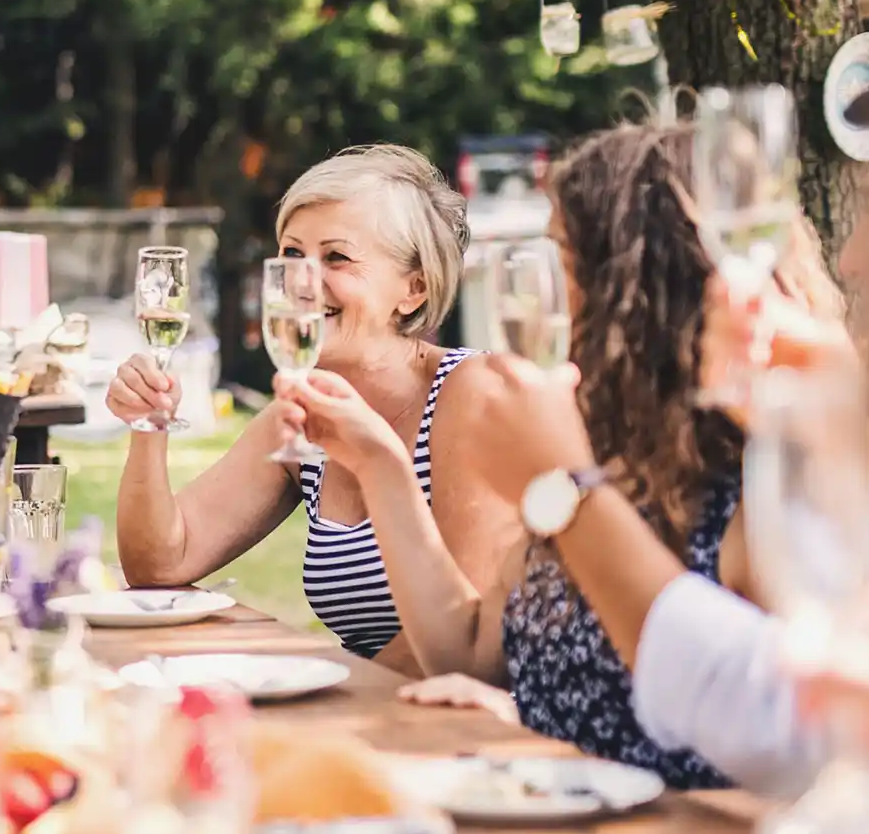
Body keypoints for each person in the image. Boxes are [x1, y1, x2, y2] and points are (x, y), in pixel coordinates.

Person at [284, 121, 838, 786]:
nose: (544, 297)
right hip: (549, 833)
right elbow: (466, 651)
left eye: (560, 259)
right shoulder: (600, 445)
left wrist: (563, 487)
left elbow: (797, 733)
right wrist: (381, 466)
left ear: (631, 279)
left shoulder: (763, 471)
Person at [112, 145, 515, 673]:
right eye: (291, 255)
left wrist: (320, 684)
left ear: (413, 289)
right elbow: (160, 564)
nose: (303, 281)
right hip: (376, 711)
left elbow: (473, 637)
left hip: (476, 727)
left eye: (337, 258)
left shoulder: (471, 392)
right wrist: (150, 424)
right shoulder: (304, 415)